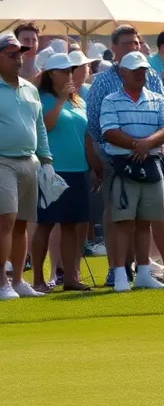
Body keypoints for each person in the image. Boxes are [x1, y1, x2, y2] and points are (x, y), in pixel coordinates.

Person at [99, 52, 164, 293]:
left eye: (143, 70)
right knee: (123, 222)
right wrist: (137, 145)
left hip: (151, 164)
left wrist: (146, 144)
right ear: (123, 73)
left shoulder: (157, 99)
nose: (141, 74)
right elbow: (109, 131)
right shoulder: (111, 100)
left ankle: (143, 273)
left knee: (145, 222)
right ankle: (120, 274)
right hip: (124, 165)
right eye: (135, 70)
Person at [32, 52, 94, 292]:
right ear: (52, 74)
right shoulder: (42, 98)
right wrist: (59, 100)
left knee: (70, 224)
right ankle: (38, 279)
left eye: (71, 70)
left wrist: (93, 165)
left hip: (78, 169)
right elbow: (47, 126)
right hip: (52, 170)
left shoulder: (78, 101)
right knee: (46, 223)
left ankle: (70, 277)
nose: (70, 74)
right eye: (65, 71)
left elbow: (85, 136)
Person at [0, 33, 53, 300]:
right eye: (11, 55)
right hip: (2, 161)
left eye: (19, 54)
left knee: (22, 223)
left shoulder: (30, 88)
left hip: (29, 161)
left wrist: (47, 159)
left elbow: (39, 126)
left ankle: (19, 280)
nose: (18, 59)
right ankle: (2, 282)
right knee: (6, 220)